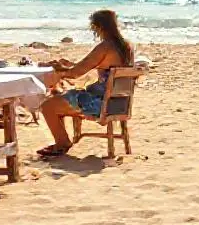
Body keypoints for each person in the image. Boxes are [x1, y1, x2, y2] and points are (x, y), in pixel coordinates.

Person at [35, 9, 135, 157]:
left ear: (97, 27)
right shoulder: (127, 46)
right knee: (58, 97)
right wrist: (70, 65)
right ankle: (62, 141)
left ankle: (62, 143)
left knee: (47, 105)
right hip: (119, 103)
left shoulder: (105, 47)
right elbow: (92, 65)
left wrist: (59, 69)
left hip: (100, 104)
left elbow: (75, 74)